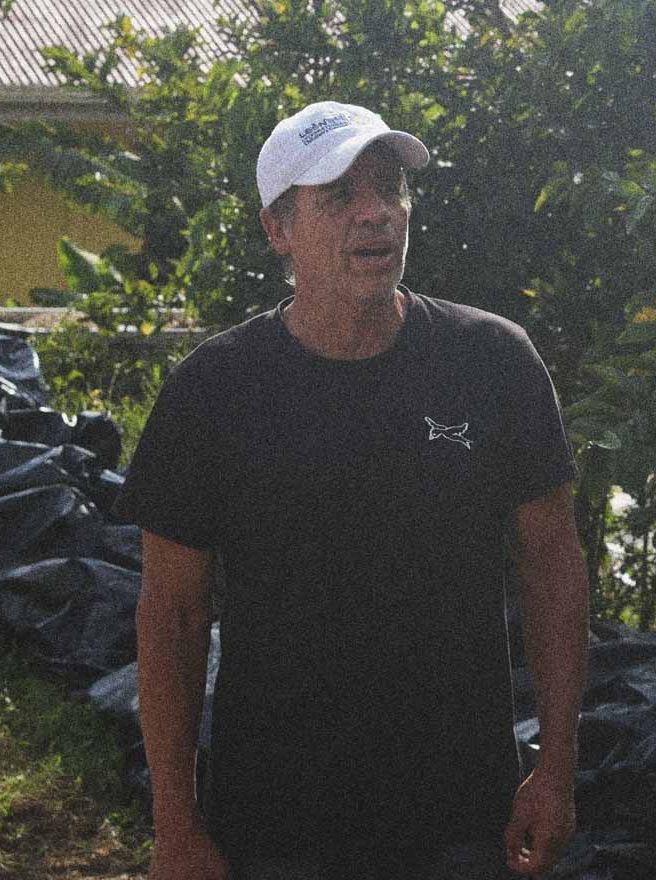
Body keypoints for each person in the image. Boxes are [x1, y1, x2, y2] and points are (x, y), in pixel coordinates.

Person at [122, 101, 589, 880]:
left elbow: (554, 565)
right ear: (279, 228)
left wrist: (557, 769)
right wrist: (176, 823)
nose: (376, 213)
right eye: (339, 196)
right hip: (276, 825)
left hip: (462, 819)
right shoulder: (216, 392)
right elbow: (170, 613)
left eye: (390, 189)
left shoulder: (491, 363)